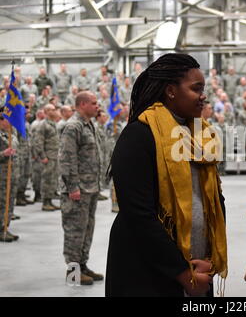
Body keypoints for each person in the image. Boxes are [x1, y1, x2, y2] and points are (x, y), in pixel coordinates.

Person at [105, 53, 227, 297]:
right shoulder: (139, 136)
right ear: (171, 91)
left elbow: (214, 199)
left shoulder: (201, 136)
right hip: (148, 272)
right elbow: (139, 216)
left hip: (198, 265)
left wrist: (209, 260)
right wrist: (184, 274)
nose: (203, 95)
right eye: (196, 88)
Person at [59, 91, 103, 286]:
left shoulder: (89, 125)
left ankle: (83, 266)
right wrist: (72, 186)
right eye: (94, 103)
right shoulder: (73, 126)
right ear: (82, 104)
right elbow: (67, 159)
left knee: (87, 229)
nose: (97, 106)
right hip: (78, 189)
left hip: (90, 187)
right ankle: (73, 272)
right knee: (75, 231)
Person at [35, 104, 60, 211]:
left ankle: (49, 199)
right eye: (53, 110)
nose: (55, 111)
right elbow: (38, 142)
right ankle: (45, 202)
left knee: (53, 179)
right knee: (46, 179)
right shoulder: (42, 125)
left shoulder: (53, 124)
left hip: (54, 156)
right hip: (48, 156)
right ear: (47, 111)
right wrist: (42, 156)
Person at [0, 108, 20, 242]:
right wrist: (2, 154)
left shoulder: (10, 133)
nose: (10, 121)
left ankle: (5, 227)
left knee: (9, 201)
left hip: (11, 174)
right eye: (7, 118)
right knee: (1, 202)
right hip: (1, 175)